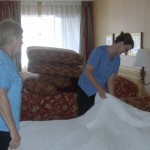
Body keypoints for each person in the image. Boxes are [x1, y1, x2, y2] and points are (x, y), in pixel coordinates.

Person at [77, 31, 134, 116]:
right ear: (121, 43)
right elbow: (87, 72)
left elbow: (110, 79)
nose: (125, 52)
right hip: (86, 88)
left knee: (97, 117)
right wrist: (100, 89)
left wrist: (113, 98)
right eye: (126, 49)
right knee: (84, 116)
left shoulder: (117, 59)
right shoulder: (99, 51)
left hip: (99, 89)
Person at [0, 19, 23, 150]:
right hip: (2, 127)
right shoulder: (3, 61)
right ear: (12, 38)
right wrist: (13, 130)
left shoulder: (6, 59)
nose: (22, 41)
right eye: (20, 37)